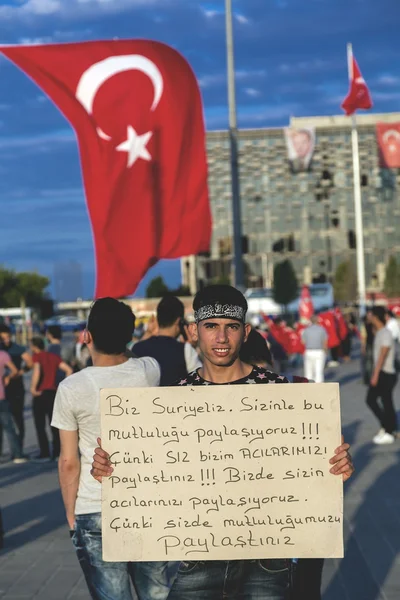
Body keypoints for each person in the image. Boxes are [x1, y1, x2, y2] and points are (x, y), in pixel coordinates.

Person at [91, 285, 354, 600]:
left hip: (267, 560)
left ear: (245, 332)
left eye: (231, 327)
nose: (221, 338)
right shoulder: (171, 399)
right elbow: (154, 477)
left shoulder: (281, 392)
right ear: (193, 331)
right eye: (211, 327)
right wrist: (113, 469)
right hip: (199, 559)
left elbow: (308, 470)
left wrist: (335, 465)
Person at [51, 297, 177, 600]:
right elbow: (132, 354)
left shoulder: (71, 388)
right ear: (129, 336)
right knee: (157, 593)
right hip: (146, 504)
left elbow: (69, 460)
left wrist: (71, 513)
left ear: (86, 337)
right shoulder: (149, 371)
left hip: (94, 505)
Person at [133, 295, 201, 386]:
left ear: (158, 319)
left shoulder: (137, 348)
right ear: (179, 321)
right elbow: (200, 383)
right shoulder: (185, 350)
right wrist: (193, 348)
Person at [30, 336, 73, 461]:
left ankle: (44, 452)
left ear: (34, 347)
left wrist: (33, 388)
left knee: (40, 424)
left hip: (41, 393)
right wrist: (63, 385)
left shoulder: (37, 357)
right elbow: (68, 369)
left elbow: (37, 371)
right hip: (53, 393)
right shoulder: (54, 357)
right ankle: (57, 452)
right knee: (54, 424)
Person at [366, 306, 398, 445]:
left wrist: (375, 374)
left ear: (375, 316)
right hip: (382, 372)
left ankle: (389, 430)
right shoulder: (379, 332)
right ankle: (387, 426)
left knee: (381, 401)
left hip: (386, 372)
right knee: (378, 400)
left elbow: (383, 354)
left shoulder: (385, 333)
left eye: (371, 314)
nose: (369, 317)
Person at [0, 324, 33, 454]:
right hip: (3, 390)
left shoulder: (17, 348)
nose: (6, 340)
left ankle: (19, 448)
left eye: (8, 337)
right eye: (4, 338)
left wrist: (19, 373)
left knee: (18, 418)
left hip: (16, 388)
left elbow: (29, 362)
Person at [0, 347, 27, 463]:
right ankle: (17, 455)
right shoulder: (3, 355)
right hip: (1, 396)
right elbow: (15, 370)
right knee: (9, 427)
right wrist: (7, 378)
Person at [301, 315, 328, 383]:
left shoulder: (306, 330)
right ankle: (319, 387)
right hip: (319, 351)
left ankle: (309, 387)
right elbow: (324, 342)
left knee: (308, 370)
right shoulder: (322, 329)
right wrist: (325, 351)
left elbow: (303, 342)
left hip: (309, 351)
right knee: (318, 371)